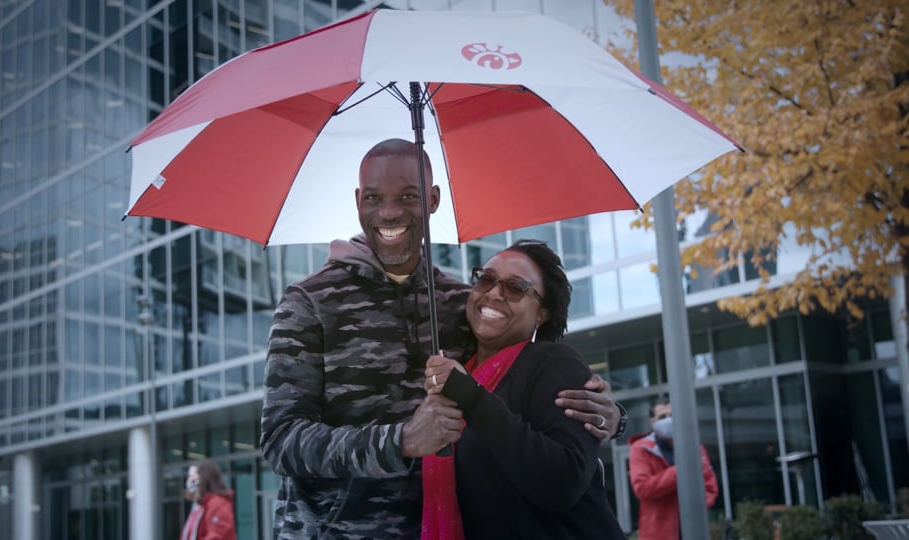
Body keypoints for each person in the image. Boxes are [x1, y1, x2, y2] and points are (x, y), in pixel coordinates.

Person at [259, 138, 626, 539]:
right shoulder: (309, 301)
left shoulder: (458, 302)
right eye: (374, 197)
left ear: (432, 200)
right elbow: (280, 440)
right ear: (357, 200)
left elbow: (515, 387)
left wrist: (609, 416)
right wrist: (398, 440)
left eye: (408, 196)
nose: (389, 212)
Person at [423, 240, 626, 539]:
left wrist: (471, 397)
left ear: (542, 314)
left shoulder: (554, 363)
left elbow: (563, 483)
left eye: (515, 288)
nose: (494, 293)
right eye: (486, 279)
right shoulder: (463, 366)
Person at [628, 397, 718, 540]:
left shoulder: (695, 447)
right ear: (652, 422)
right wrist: (682, 470)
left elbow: (710, 487)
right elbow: (643, 488)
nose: (668, 420)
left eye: (671, 415)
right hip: (659, 533)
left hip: (693, 531)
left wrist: (693, 508)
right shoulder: (640, 449)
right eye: (662, 417)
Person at [179, 459, 237, 540]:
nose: (189, 480)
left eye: (193, 475)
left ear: (204, 477)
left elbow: (218, 535)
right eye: (189, 476)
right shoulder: (199, 508)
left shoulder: (217, 504)